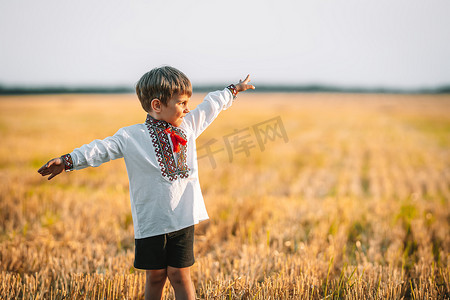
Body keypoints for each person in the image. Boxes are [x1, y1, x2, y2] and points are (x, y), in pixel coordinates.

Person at [37, 66, 255, 300]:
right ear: (157, 105)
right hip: (151, 220)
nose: (187, 108)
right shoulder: (131, 137)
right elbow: (100, 149)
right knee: (156, 276)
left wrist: (233, 90)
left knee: (180, 275)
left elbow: (210, 106)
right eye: (181, 103)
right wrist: (69, 160)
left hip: (183, 216)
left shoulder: (189, 127)